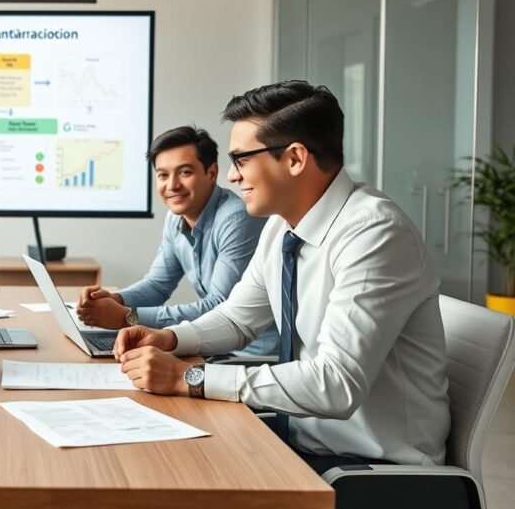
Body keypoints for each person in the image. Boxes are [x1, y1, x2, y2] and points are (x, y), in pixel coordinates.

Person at [113, 81, 449, 473]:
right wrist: (171, 338)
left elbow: (336, 384)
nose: (233, 177)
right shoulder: (282, 227)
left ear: (294, 159)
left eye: (241, 160)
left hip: (372, 471)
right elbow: (238, 318)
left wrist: (192, 377)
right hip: (303, 441)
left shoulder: (374, 233)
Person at [76, 126, 276, 356]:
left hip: (252, 356)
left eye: (184, 173)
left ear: (211, 173)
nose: (172, 185)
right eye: (163, 175)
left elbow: (219, 305)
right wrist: (114, 299)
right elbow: (158, 284)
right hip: (212, 348)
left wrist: (127, 316)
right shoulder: (175, 218)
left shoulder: (236, 218)